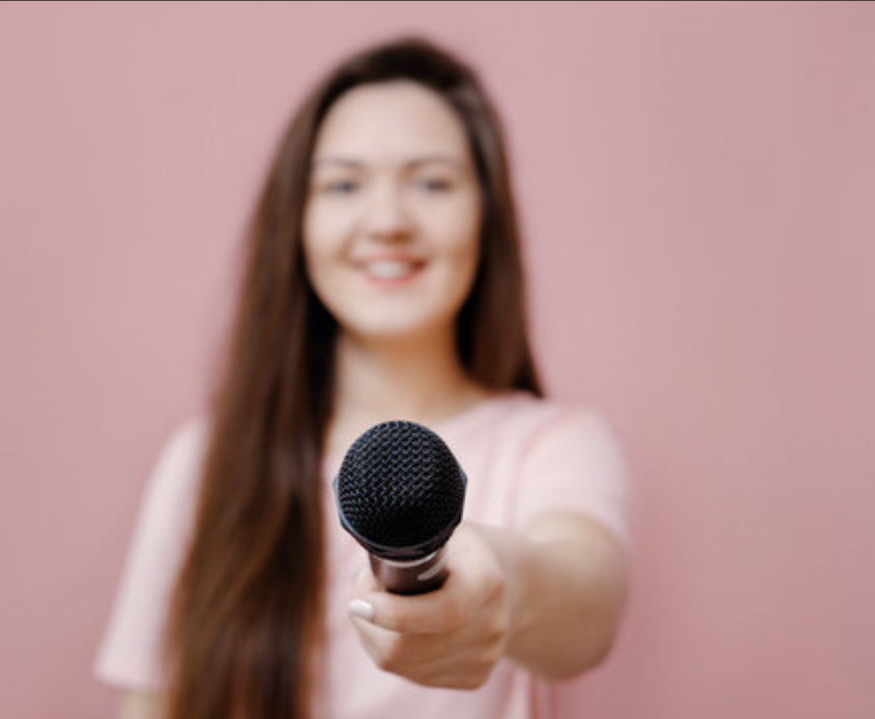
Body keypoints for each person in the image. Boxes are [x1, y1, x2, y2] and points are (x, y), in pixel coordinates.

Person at [95, 36, 629, 719]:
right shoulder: (206, 464)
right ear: (298, 222)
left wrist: (504, 590)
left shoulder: (554, 445)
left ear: (487, 218)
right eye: (344, 184)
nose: (387, 221)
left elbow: (587, 599)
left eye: (431, 181)